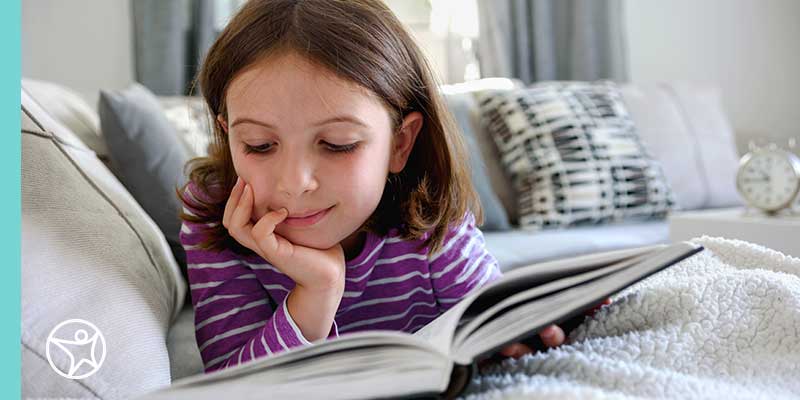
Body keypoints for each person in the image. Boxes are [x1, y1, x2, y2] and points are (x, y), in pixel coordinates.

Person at [177, 0, 603, 373]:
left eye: (337, 145)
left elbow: (491, 319)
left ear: (400, 143)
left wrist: (530, 328)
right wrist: (317, 292)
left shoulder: (429, 215)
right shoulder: (215, 217)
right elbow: (232, 384)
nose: (295, 183)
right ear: (228, 133)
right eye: (260, 145)